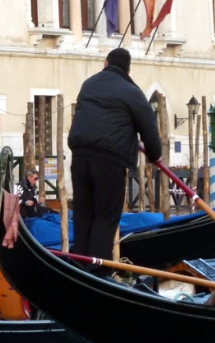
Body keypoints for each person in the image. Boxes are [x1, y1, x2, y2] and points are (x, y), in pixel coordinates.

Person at [68, 48, 162, 271]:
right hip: (110, 161)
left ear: (106, 63)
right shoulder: (132, 92)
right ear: (128, 69)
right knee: (106, 217)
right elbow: (149, 129)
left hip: (79, 157)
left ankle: (78, 266)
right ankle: (97, 272)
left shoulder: (88, 84)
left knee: (83, 215)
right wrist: (154, 155)